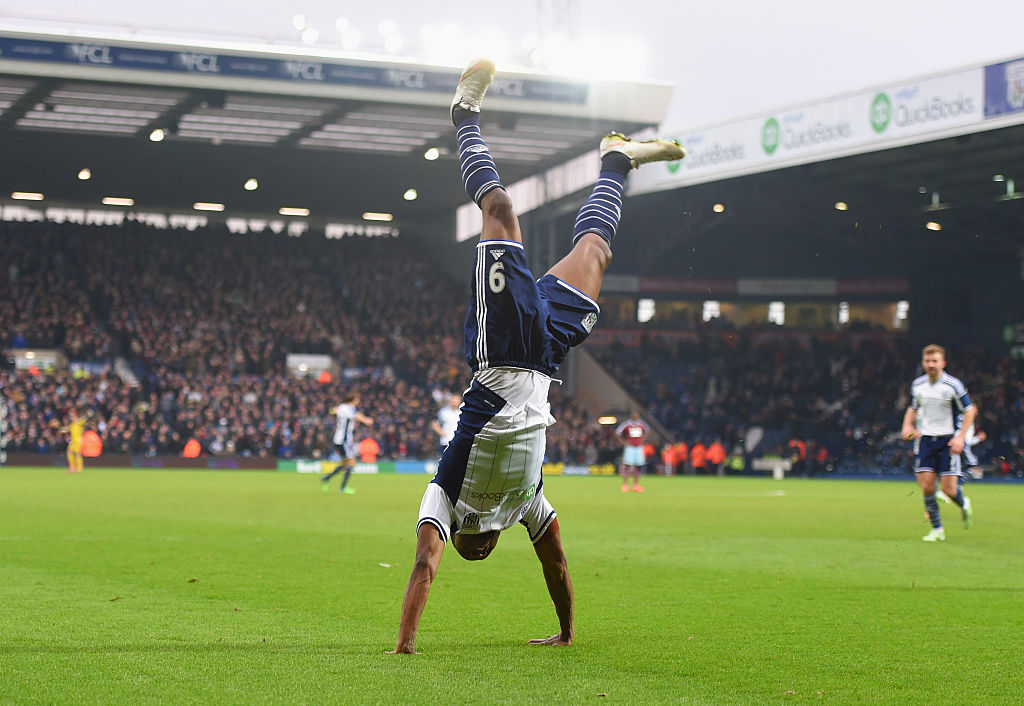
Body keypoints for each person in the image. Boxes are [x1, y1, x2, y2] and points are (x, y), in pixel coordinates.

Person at [390, 58, 684, 654]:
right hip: (547, 354)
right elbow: (555, 562)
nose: (471, 543)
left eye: (469, 544)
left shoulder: (443, 496)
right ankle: (616, 160)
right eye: (476, 545)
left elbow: (424, 567)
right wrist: (568, 633)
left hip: (502, 350)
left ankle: (463, 117)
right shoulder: (525, 503)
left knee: (500, 213)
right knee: (596, 251)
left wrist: (405, 643)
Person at [900, 344, 976, 542]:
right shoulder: (918, 385)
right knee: (927, 487)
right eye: (927, 361)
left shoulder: (953, 385)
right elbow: (913, 408)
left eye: (935, 361)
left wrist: (960, 438)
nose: (931, 365)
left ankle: (963, 503)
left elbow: (970, 410)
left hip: (947, 440)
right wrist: (907, 426)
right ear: (923, 363)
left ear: (943, 363)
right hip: (925, 439)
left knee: (950, 490)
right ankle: (937, 529)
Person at [321, 392, 374, 494]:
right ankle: (342, 488)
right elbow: (356, 416)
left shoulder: (344, 407)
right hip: (343, 440)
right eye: (357, 399)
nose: (358, 401)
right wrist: (366, 420)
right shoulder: (346, 408)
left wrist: (334, 411)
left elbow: (333, 410)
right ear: (353, 400)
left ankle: (326, 478)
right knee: (351, 462)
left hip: (342, 439)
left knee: (345, 463)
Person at [615, 412, 648, 492]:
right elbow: (617, 432)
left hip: (638, 447)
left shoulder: (641, 424)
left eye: (636, 415)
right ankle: (625, 484)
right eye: (634, 415)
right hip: (630, 447)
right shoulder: (627, 424)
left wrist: (642, 440)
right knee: (627, 466)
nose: (635, 416)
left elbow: (647, 431)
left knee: (638, 466)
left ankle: (636, 485)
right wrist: (623, 442)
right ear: (631, 416)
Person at [61, 405, 87, 473]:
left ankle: (79, 468)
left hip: (78, 440)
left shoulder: (80, 422)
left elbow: (85, 418)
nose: (71, 418)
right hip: (73, 441)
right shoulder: (72, 424)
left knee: (78, 453)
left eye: (73, 416)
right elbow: (67, 429)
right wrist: (62, 429)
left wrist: (87, 415)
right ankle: (72, 467)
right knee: (69, 452)